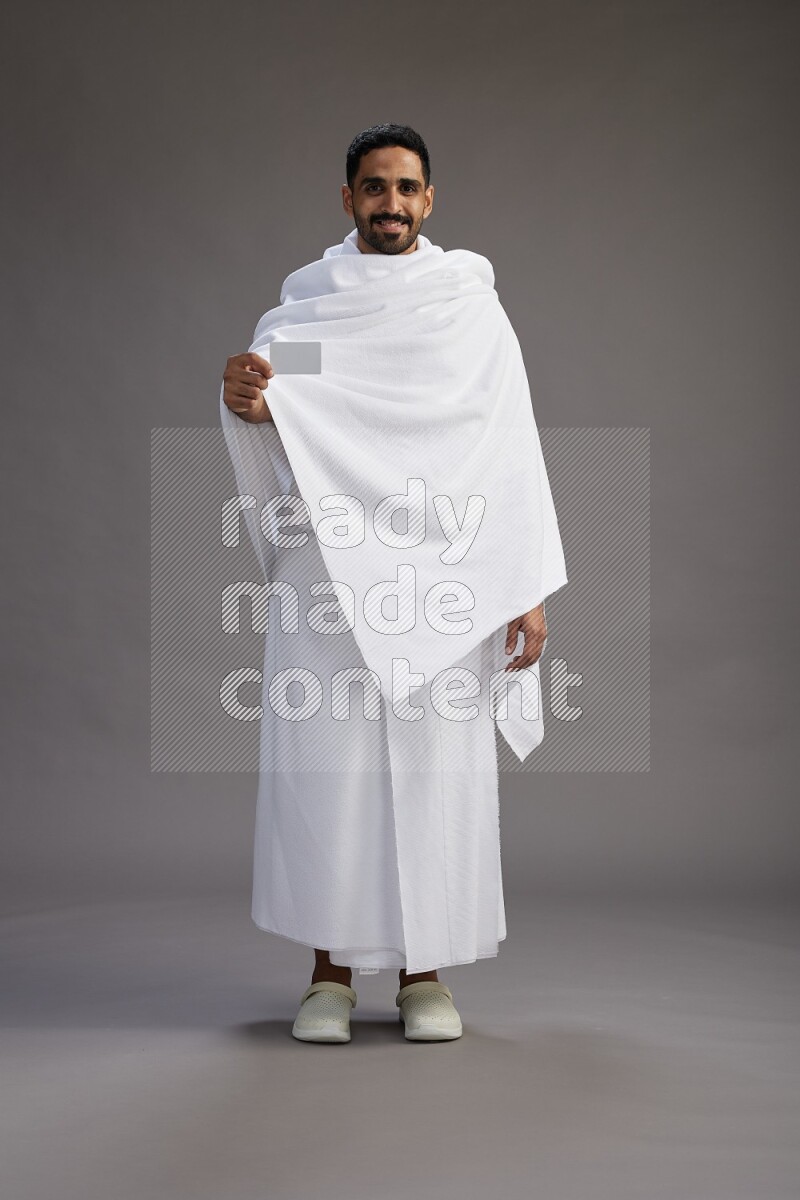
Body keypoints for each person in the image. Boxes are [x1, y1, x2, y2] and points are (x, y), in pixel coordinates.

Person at [220, 124, 565, 1043]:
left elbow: (509, 446)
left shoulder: (466, 310)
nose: (391, 204)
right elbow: (291, 394)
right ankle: (327, 979)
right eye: (374, 188)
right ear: (348, 201)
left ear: (430, 198)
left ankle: (426, 977)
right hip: (329, 572)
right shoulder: (311, 315)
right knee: (327, 769)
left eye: (407, 188)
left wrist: (525, 585)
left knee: (433, 769)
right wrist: (249, 398)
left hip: (444, 572)